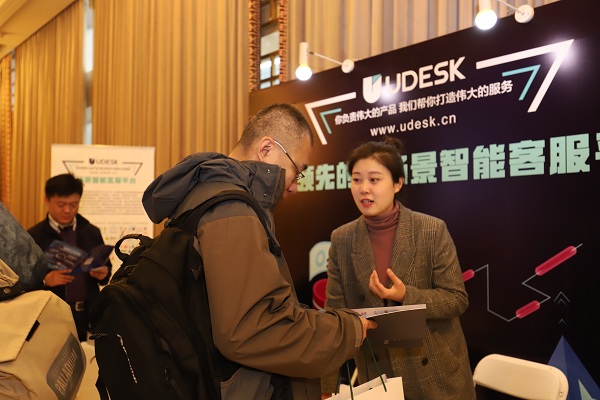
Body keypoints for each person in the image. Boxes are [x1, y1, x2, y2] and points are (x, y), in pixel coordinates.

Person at [142, 103, 376, 400]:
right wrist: (347, 330)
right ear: (267, 149)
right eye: (298, 171)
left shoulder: (204, 195)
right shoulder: (232, 210)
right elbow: (251, 329)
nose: (295, 187)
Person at [320, 137, 476, 400]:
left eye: (374, 179)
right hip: (378, 376)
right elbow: (334, 317)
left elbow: (457, 299)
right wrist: (327, 386)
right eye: (356, 179)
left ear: (397, 183)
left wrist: (406, 296)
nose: (364, 189)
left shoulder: (431, 230)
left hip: (436, 374)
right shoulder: (342, 238)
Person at [28, 173, 111, 341]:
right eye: (61, 204)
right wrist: (45, 280)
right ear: (47, 200)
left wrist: (104, 273)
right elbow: (25, 280)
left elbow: (105, 268)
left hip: (87, 317)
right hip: (51, 317)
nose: (67, 210)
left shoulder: (91, 231)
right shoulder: (35, 236)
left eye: (74, 205)